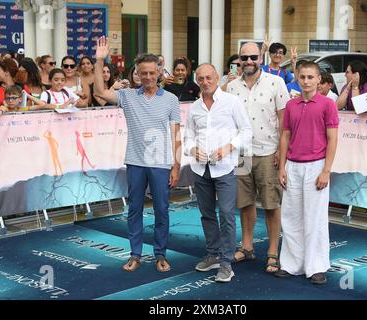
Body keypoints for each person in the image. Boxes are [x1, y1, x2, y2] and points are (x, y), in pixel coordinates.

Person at [93, 36, 182, 273]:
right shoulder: (127, 96)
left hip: (161, 163)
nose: (148, 77)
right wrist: (100, 61)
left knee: (162, 210)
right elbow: (99, 91)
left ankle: (160, 254)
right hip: (135, 162)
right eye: (144, 73)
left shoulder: (171, 99)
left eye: (152, 73)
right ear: (137, 74)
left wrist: (176, 165)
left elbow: (176, 135)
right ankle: (135, 254)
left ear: (159, 73)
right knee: (135, 209)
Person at [184, 63, 252, 283]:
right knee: (207, 214)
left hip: (225, 168)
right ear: (197, 80)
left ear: (217, 78)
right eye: (201, 78)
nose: (205, 82)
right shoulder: (194, 107)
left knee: (226, 215)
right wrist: (193, 149)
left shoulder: (231, 102)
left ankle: (226, 263)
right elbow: (187, 138)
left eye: (209, 78)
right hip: (200, 169)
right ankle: (213, 254)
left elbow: (247, 131)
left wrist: (228, 148)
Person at [227, 42, 290, 273]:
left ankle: (273, 252)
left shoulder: (277, 82)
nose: (249, 61)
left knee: (272, 205)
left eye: (253, 57)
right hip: (241, 154)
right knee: (244, 203)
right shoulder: (232, 87)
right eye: (245, 58)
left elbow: (285, 122)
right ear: (239, 61)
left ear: (260, 58)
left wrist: (280, 152)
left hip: (268, 153)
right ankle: (247, 246)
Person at [276, 61, 338, 285]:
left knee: (315, 218)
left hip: (316, 166)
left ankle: (316, 267)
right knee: (291, 217)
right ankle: (292, 265)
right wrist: (282, 167)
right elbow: (285, 136)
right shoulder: (291, 105)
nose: (306, 81)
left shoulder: (328, 104)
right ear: (297, 78)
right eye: (302, 77)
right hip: (292, 165)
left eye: (311, 77)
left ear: (319, 79)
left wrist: (326, 171)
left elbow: (332, 138)